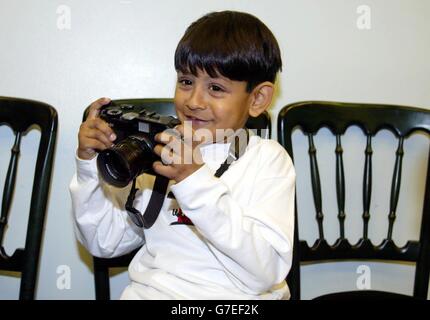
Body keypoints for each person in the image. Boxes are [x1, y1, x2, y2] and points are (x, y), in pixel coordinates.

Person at [70, 10, 295, 300]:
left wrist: (193, 180)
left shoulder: (268, 160)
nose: (193, 101)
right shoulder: (158, 150)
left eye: (215, 88)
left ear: (258, 99)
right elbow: (103, 242)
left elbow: (267, 271)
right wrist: (88, 167)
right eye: (186, 81)